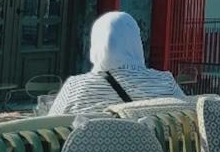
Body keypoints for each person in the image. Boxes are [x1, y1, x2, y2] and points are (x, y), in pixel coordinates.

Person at [50, 11, 187, 116]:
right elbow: (189, 118)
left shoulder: (75, 86)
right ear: (136, 43)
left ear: (96, 44)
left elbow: (51, 127)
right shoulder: (165, 81)